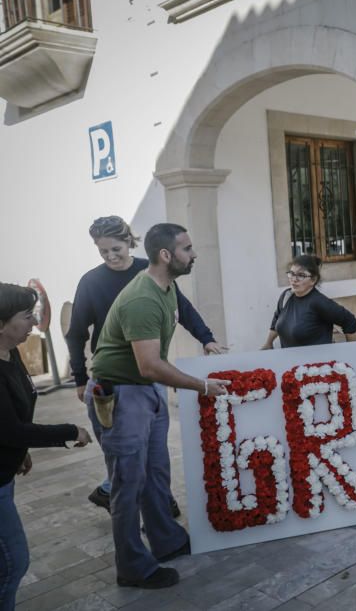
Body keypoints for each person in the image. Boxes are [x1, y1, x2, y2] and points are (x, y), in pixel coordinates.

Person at [88, 223, 231, 589]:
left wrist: (208, 340)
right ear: (166, 255)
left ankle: (166, 541)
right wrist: (201, 386)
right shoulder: (143, 299)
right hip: (120, 395)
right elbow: (149, 363)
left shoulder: (166, 286)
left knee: (156, 474)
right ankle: (132, 567)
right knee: (128, 484)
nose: (193, 254)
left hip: (144, 390)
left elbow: (181, 322)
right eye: (186, 249)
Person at [65, 216, 225, 514]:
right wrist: (78, 377)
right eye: (103, 252)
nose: (111, 257)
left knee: (153, 448)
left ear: (129, 241)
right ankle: (135, 503)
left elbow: (182, 307)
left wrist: (206, 337)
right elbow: (76, 333)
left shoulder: (149, 270)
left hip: (151, 370)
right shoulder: (91, 282)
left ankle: (153, 501)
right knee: (128, 451)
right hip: (119, 376)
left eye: (116, 249)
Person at [1, 283, 92, 610]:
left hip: (5, 471)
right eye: (27, 316)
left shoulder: (11, 352)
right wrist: (70, 429)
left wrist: (19, 451)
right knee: (12, 564)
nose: (34, 321)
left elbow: (13, 417)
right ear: (1, 323)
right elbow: (10, 428)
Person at [261, 254, 356, 349]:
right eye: (291, 274)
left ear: (313, 280)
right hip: (290, 362)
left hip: (315, 364)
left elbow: (350, 322)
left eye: (301, 275)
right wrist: (268, 343)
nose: (294, 279)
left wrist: (352, 352)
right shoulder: (286, 296)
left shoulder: (319, 302)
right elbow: (277, 319)